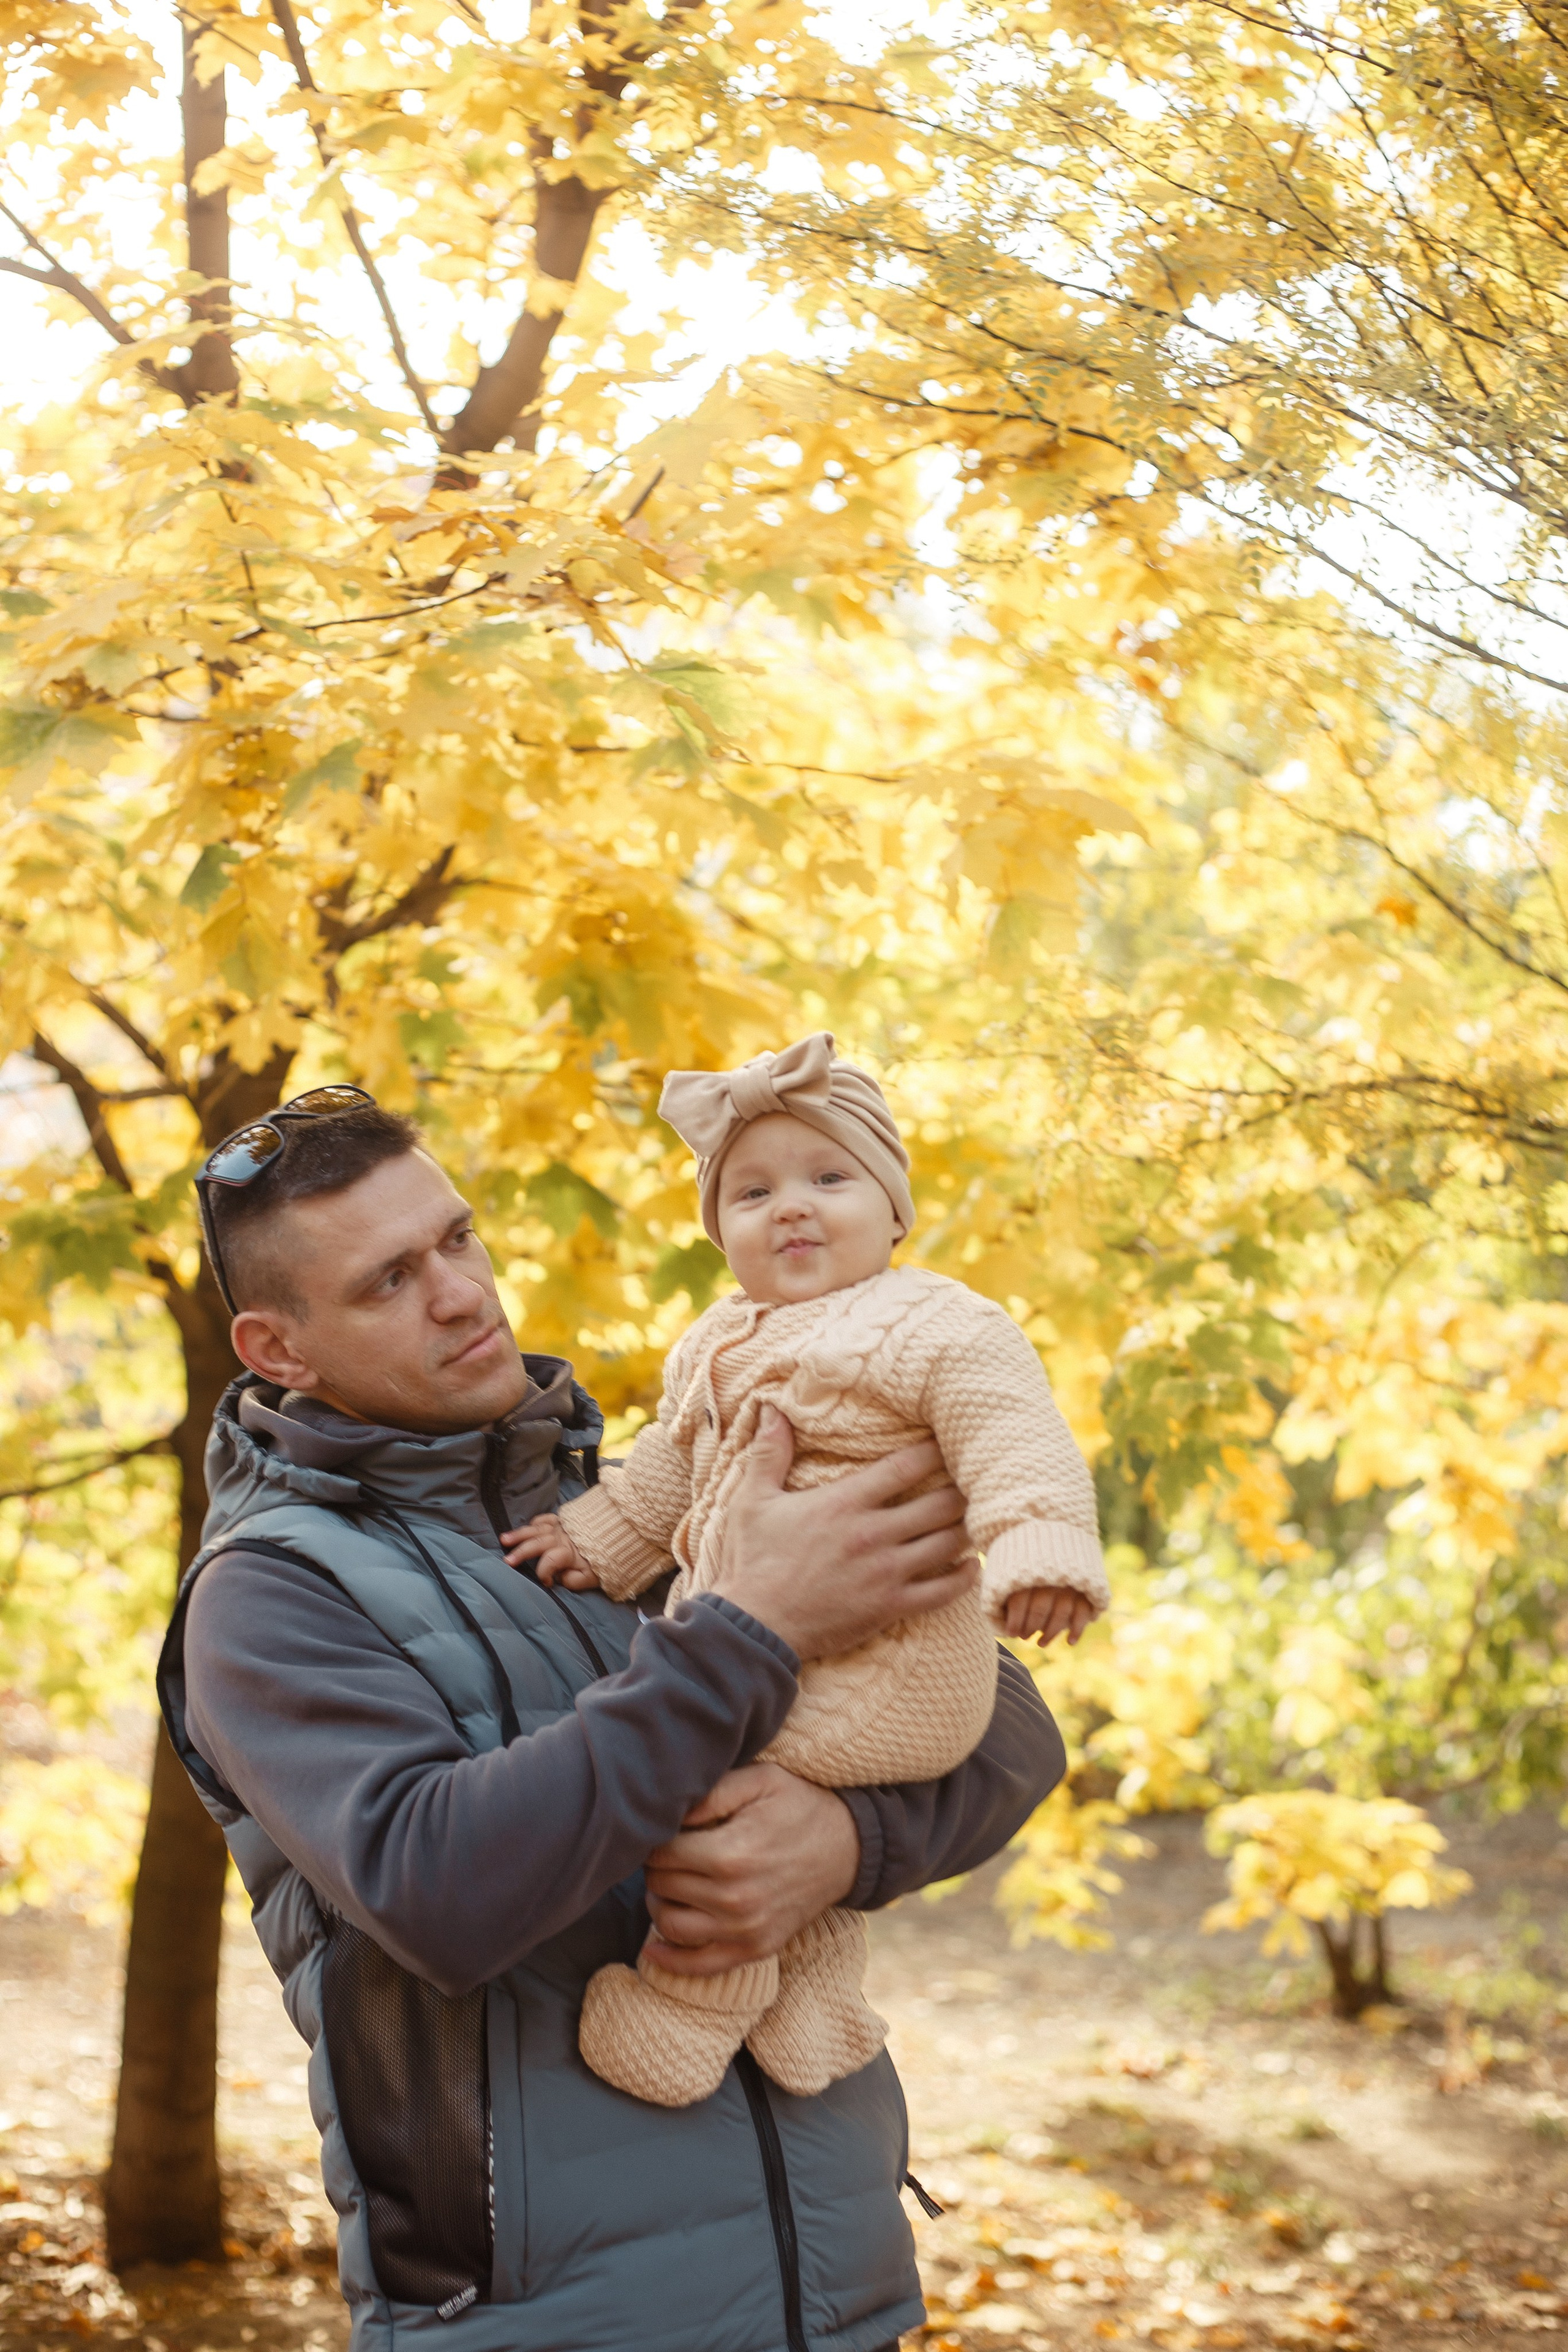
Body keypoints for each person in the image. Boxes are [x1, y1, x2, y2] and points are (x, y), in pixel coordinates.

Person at [159, 1087, 1069, 2352]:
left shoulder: (637, 1498)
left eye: (457, 1240)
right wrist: (749, 1628)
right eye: (386, 1283)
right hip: (548, 2323)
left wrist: (844, 1842)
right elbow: (438, 1888)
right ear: (278, 1351)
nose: (463, 1294)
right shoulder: (269, 1595)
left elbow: (1011, 1723)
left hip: (838, 2295)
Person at [507, 1031, 1106, 2111]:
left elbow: (1013, 1439)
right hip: (786, 1648)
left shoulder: (940, 1325)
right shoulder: (712, 1343)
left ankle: (689, 2006)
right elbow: (669, 1471)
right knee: (748, 1770)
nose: (791, 1206)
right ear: (720, 1232)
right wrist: (598, 1539)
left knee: (700, 1777)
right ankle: (816, 2001)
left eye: (829, 1178)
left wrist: (1040, 1551)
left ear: (892, 1212)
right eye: (752, 1192)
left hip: (898, 1655)